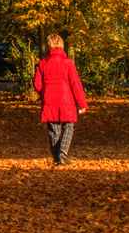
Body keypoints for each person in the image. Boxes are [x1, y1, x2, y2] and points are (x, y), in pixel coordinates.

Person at [33, 33, 88, 166]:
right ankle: (63, 150)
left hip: (49, 99)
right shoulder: (68, 62)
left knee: (54, 130)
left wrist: (44, 93)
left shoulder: (43, 63)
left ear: (49, 46)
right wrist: (82, 104)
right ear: (61, 45)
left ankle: (57, 160)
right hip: (66, 98)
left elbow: (37, 83)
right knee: (69, 125)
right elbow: (76, 84)